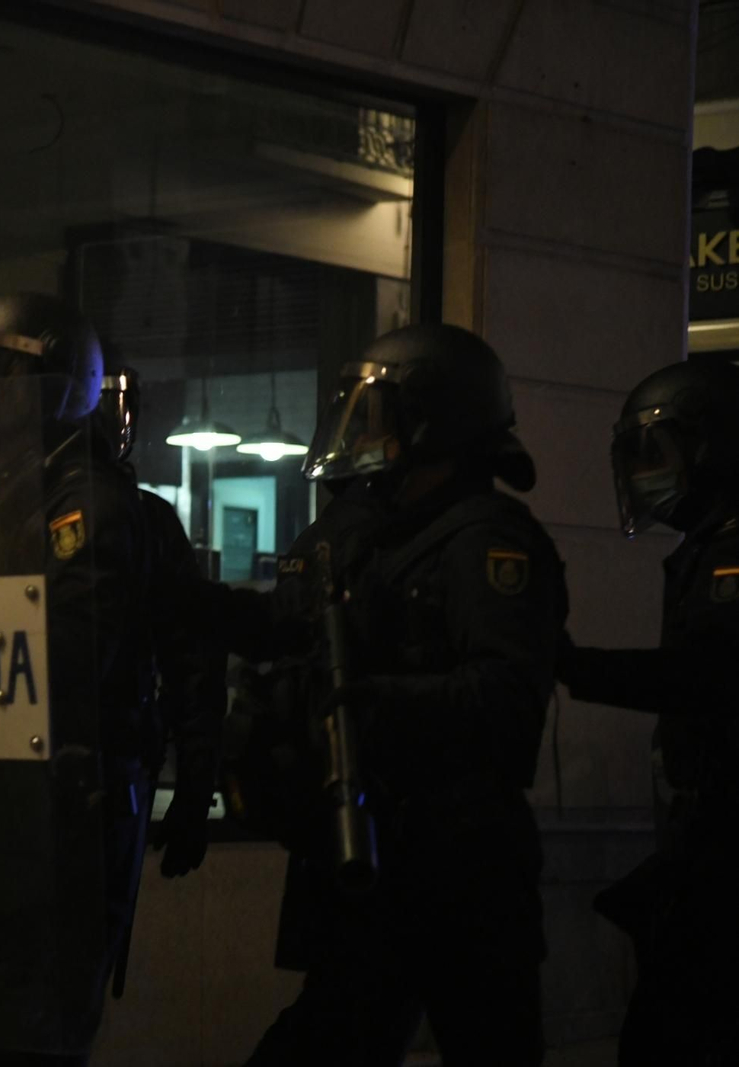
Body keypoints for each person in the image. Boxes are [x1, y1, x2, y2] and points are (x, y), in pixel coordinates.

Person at [243, 323, 567, 1067]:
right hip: (390, 861)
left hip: (466, 868)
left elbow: (507, 697)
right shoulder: (394, 537)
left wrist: (366, 701)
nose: (362, 431)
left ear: (433, 421)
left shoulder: (487, 540)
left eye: (376, 414)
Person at [0, 293, 153, 1064]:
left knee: (36, 1038)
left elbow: (71, 653)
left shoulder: (83, 503)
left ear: (52, 391)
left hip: (63, 827)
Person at [556, 358, 739, 1067]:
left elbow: (709, 677)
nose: (642, 473)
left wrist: (577, 666)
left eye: (655, 452)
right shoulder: (707, 550)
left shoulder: (728, 557)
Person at [92, 365, 219, 885]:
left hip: (113, 775)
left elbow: (194, 665)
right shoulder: (146, 520)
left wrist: (193, 792)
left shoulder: (147, 522)